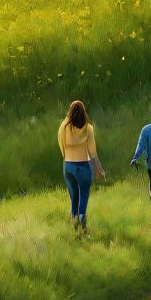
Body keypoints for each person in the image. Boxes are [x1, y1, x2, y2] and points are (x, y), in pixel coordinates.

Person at [58, 100, 105, 233]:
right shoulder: (88, 128)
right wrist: (99, 169)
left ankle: (74, 227)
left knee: (74, 198)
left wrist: (66, 157)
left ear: (70, 111)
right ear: (84, 112)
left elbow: (61, 145)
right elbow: (92, 152)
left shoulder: (63, 126)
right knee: (83, 197)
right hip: (82, 166)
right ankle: (83, 224)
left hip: (67, 166)